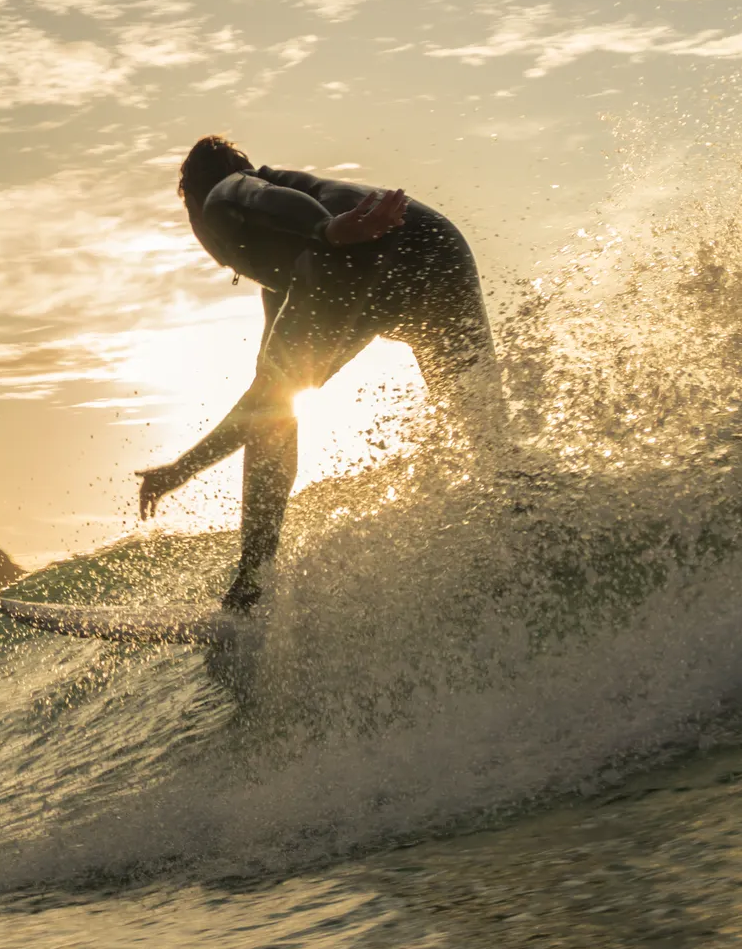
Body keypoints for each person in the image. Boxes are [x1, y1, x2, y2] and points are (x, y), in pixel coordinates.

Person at [136, 135, 501, 611]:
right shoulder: (281, 272)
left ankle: (249, 588)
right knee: (484, 430)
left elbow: (260, 197)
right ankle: (524, 529)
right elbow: (270, 403)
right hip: (438, 249)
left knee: (269, 417)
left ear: (193, 207)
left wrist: (332, 230)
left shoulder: (222, 194)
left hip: (363, 248)